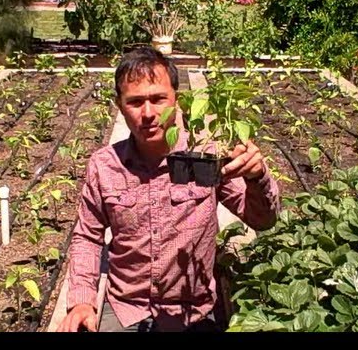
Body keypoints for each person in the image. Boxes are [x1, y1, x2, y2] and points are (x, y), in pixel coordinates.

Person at [57, 47, 280, 332]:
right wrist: (82, 301)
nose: (148, 113)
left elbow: (263, 219)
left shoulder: (206, 157)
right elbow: (87, 236)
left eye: (158, 99)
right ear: (120, 105)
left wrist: (256, 177)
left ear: (177, 99)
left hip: (193, 312)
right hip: (125, 308)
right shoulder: (105, 166)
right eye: (135, 102)